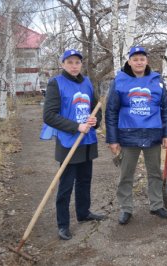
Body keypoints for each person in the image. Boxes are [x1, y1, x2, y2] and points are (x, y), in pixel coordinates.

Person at [105, 46, 167, 225]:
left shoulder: (157, 81)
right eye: (135, 59)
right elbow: (111, 111)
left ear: (147, 61)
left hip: (153, 134)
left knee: (154, 173)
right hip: (128, 135)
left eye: (142, 59)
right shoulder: (120, 81)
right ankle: (126, 208)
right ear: (129, 61)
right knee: (126, 174)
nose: (139, 62)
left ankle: (157, 205)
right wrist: (113, 139)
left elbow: (166, 110)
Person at [42, 49, 104, 240]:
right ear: (63, 64)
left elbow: (96, 108)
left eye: (77, 62)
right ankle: (63, 224)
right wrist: (77, 126)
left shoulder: (86, 82)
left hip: (87, 141)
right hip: (69, 141)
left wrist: (96, 121)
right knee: (66, 185)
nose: (74, 65)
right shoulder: (56, 83)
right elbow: (49, 116)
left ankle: (84, 213)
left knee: (85, 180)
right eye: (70, 62)